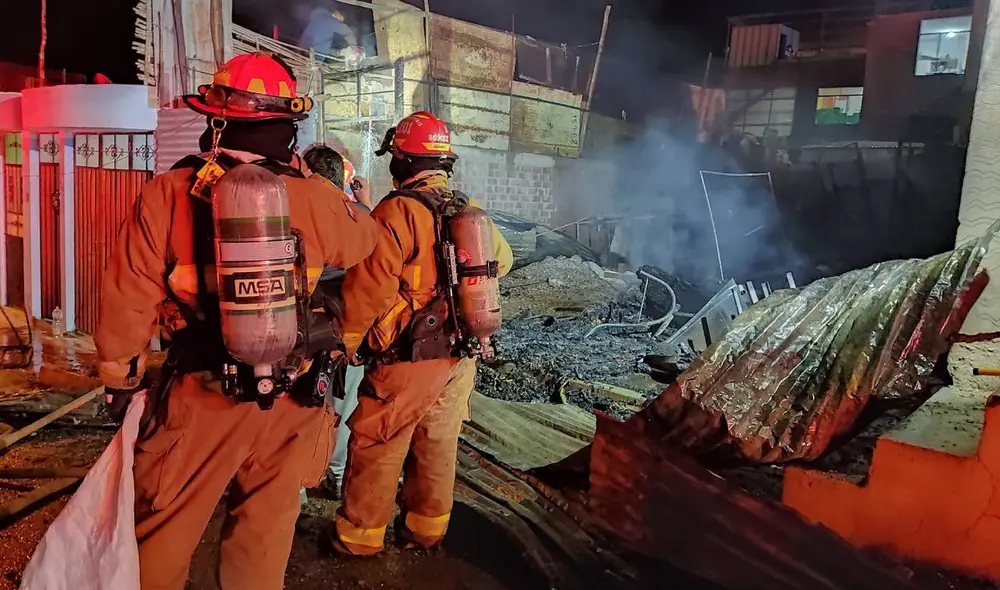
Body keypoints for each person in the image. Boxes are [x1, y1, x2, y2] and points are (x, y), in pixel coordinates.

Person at [95, 51, 378, 590]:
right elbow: (366, 240)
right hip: (293, 397)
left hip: (203, 395)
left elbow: (127, 296)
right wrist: (338, 195)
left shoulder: (167, 194)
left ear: (215, 119)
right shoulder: (315, 198)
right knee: (264, 532)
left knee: (164, 525)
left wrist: (121, 381)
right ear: (287, 128)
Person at [334, 111, 513, 555]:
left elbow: (368, 290)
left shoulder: (396, 212)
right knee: (437, 443)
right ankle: (426, 531)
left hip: (407, 357)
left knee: (379, 440)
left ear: (401, 160)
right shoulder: (470, 213)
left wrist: (348, 343)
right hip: (460, 355)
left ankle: (359, 537)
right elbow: (502, 262)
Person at [300, 144, 370, 498]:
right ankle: (339, 477)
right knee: (346, 404)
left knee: (303, 408)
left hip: (304, 331)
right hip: (347, 333)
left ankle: (296, 485)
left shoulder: (296, 206)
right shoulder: (356, 215)